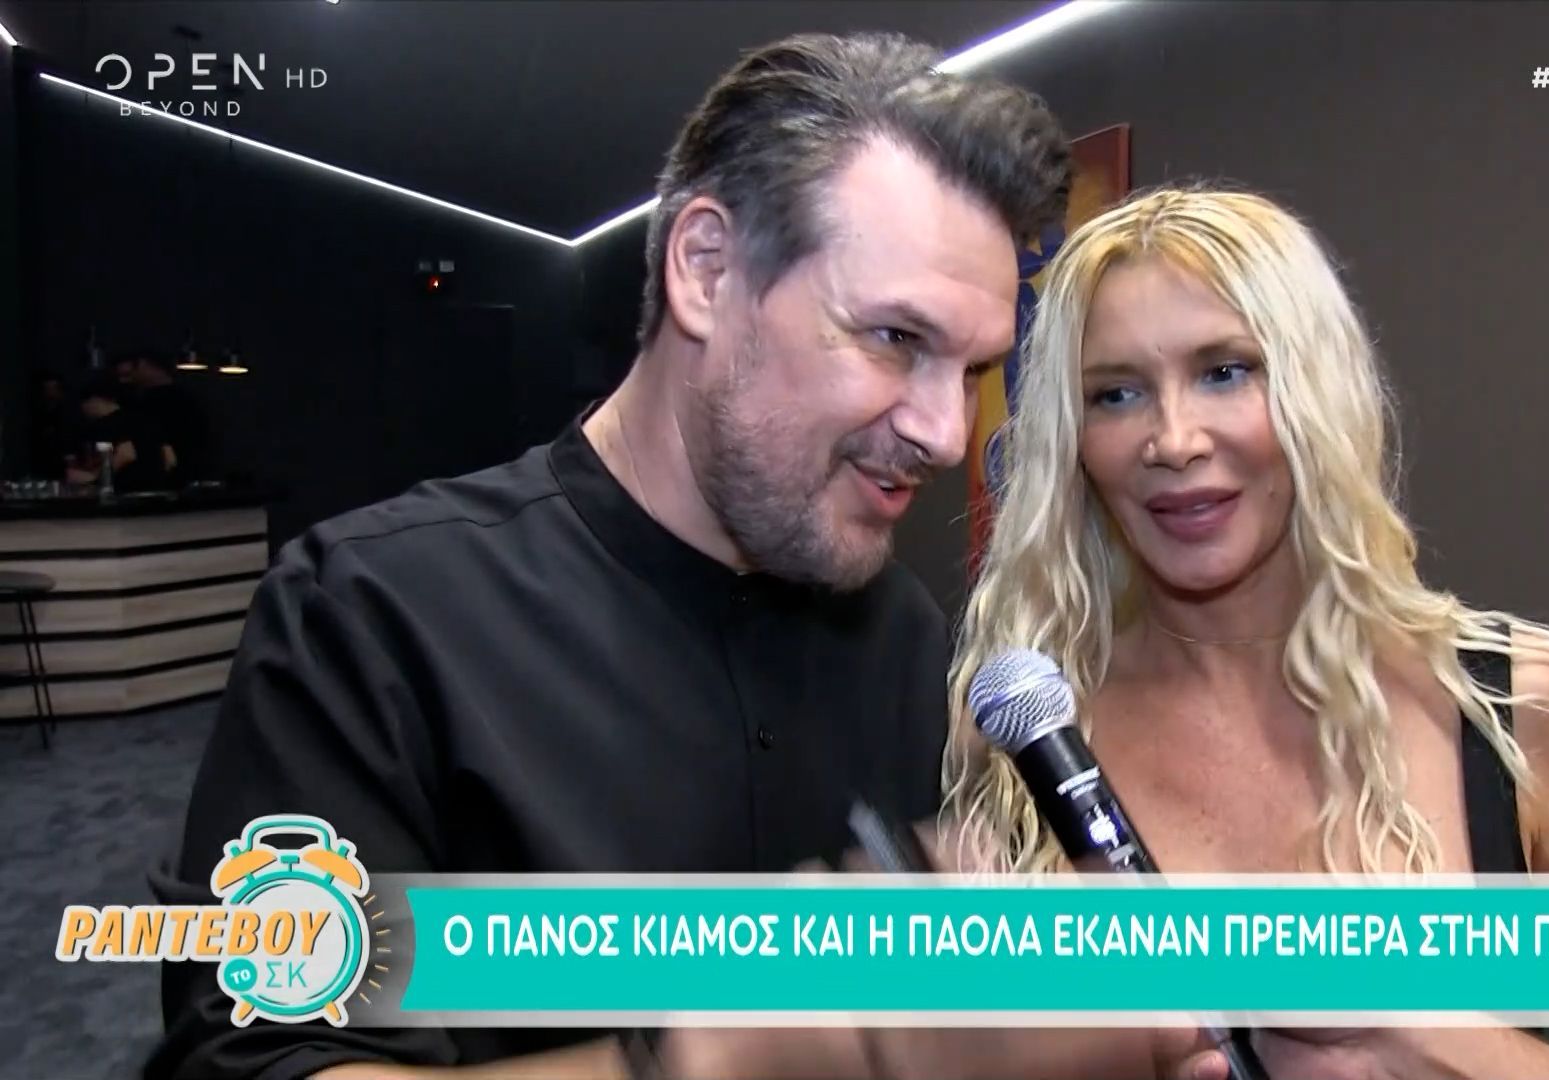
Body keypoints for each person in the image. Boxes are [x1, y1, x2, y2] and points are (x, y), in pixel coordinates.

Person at [147, 31, 1217, 1080]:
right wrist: (715, 1056)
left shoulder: (907, 640)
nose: (944, 433)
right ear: (706, 270)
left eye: (973, 370)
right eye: (897, 339)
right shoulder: (371, 618)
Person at [941, 186, 1549, 1080]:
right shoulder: (1022, 743)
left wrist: (1428, 1041)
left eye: (1226, 371)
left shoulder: (1515, 707)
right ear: (1073, 438)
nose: (1173, 439)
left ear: (1315, 389)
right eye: (1116, 394)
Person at [119, 348, 210, 483]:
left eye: (128, 374)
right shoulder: (190, 400)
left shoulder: (147, 404)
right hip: (190, 475)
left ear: (144, 365)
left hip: (162, 478)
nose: (125, 380)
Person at [65, 376, 171, 491]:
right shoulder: (145, 420)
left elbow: (126, 454)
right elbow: (170, 459)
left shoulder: (105, 425)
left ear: (94, 400)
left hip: (125, 493)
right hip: (156, 492)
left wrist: (95, 479)